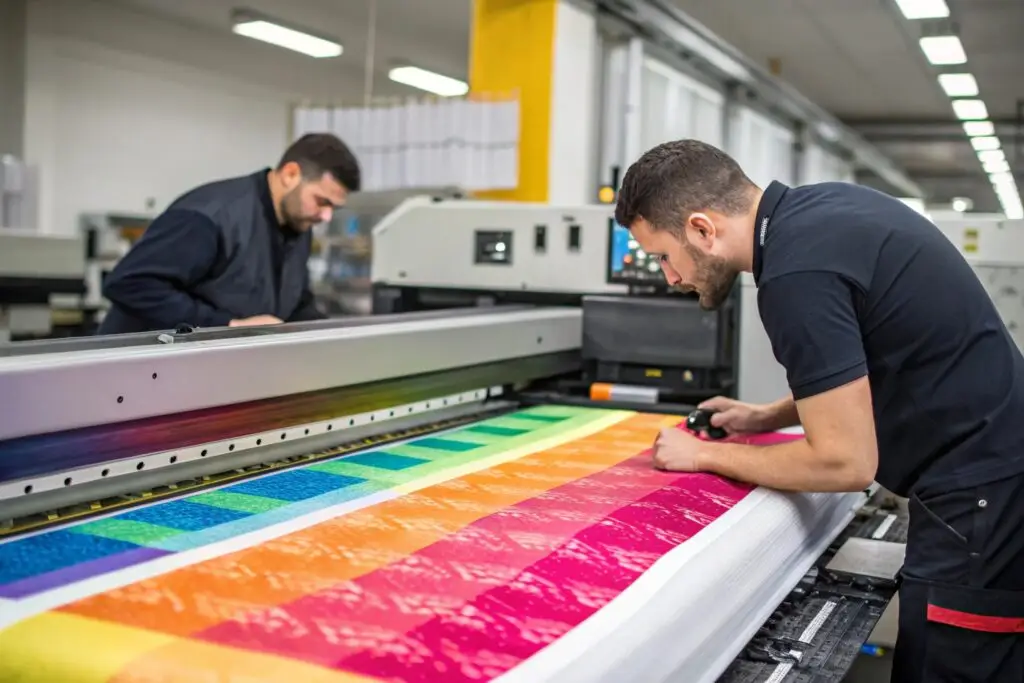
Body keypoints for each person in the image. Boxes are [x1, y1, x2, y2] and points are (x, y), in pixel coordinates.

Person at [614, 139, 1024, 683]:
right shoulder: (824, 210)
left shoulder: (793, 276)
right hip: (996, 476)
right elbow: (874, 368)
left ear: (702, 229)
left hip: (983, 503)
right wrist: (765, 417)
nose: (669, 277)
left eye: (664, 256)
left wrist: (701, 456)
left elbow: (845, 464)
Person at [97, 133, 361, 335]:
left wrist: (330, 337)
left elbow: (296, 304)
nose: (326, 216)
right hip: (138, 374)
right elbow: (130, 283)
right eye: (322, 201)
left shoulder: (298, 224)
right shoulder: (210, 216)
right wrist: (227, 325)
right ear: (290, 174)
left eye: (334, 208)